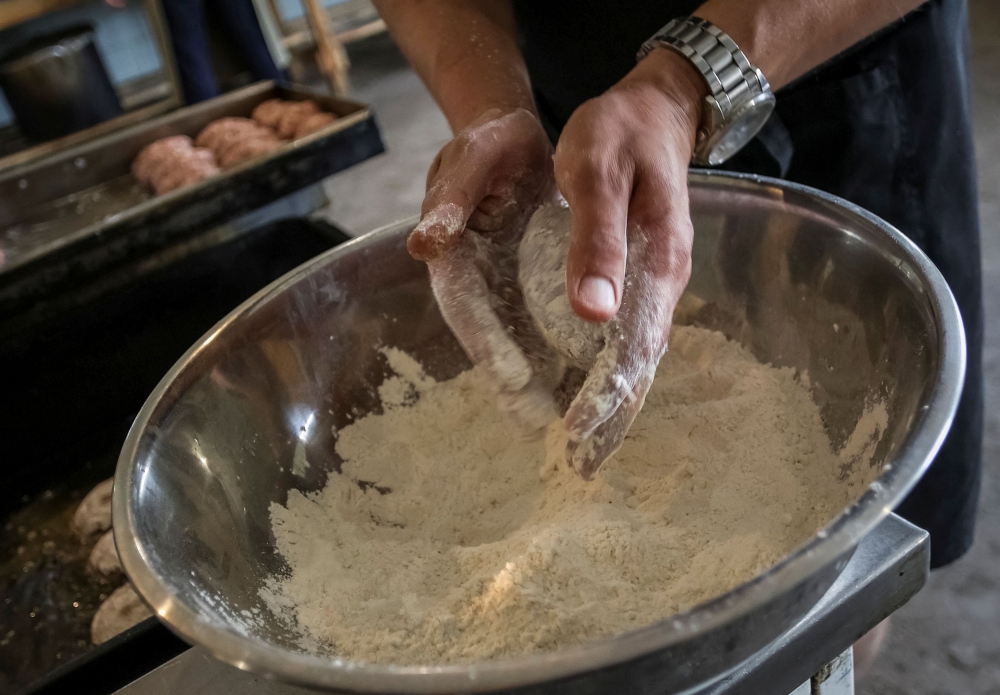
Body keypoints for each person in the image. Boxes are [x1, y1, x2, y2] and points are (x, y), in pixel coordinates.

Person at [373, 0, 983, 674]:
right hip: (579, 117)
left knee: (834, 571)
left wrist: (683, 84)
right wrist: (488, 102)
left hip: (823, 48)